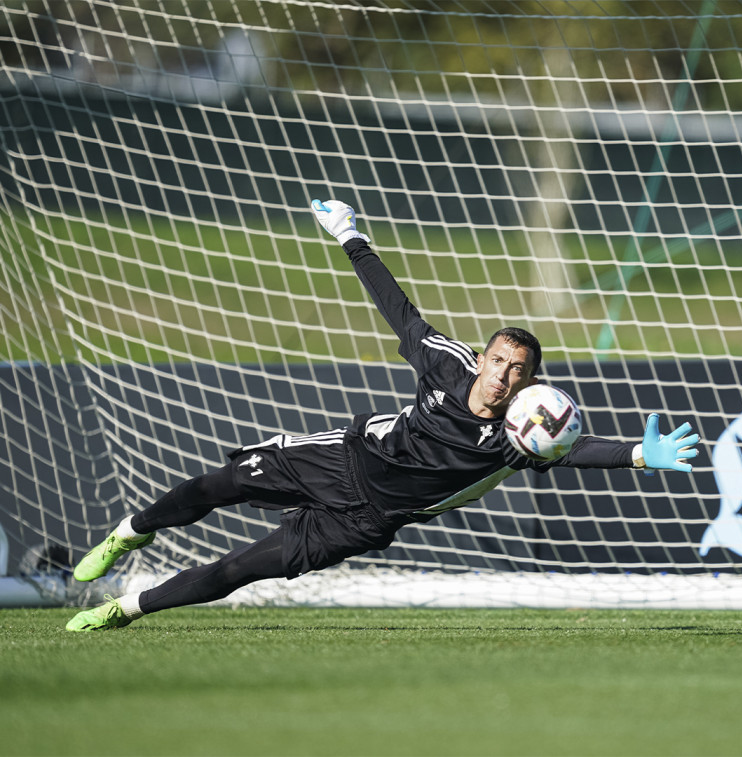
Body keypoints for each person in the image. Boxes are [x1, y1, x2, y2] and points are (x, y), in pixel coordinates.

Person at [66, 200, 700, 631]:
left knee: (239, 570)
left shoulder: (519, 437)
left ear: (530, 382)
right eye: (499, 361)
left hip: (371, 519)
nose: (504, 377)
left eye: (518, 371)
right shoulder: (447, 364)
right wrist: (349, 235)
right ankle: (131, 532)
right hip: (343, 459)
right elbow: (397, 308)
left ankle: (126, 610)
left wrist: (641, 454)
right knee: (218, 485)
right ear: (482, 358)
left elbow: (573, 452)